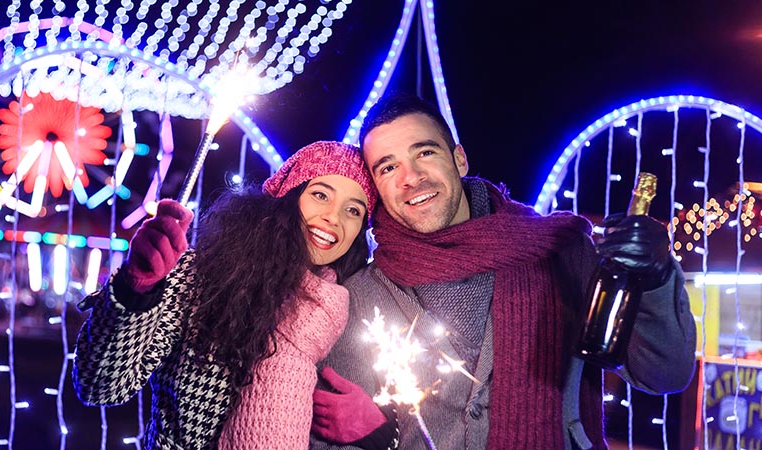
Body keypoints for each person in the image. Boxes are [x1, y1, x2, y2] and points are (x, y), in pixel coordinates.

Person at [310, 93, 697, 449]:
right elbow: (332, 437)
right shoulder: (361, 294)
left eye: (424, 153)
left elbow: (663, 373)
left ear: (459, 159)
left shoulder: (562, 252)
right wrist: (384, 435)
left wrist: (655, 279)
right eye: (387, 167)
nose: (410, 177)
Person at [72, 141, 385, 450]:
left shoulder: (345, 309)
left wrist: (380, 433)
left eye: (353, 211)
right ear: (288, 196)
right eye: (320, 195)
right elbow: (100, 386)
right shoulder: (206, 275)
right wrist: (136, 290)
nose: (334, 217)